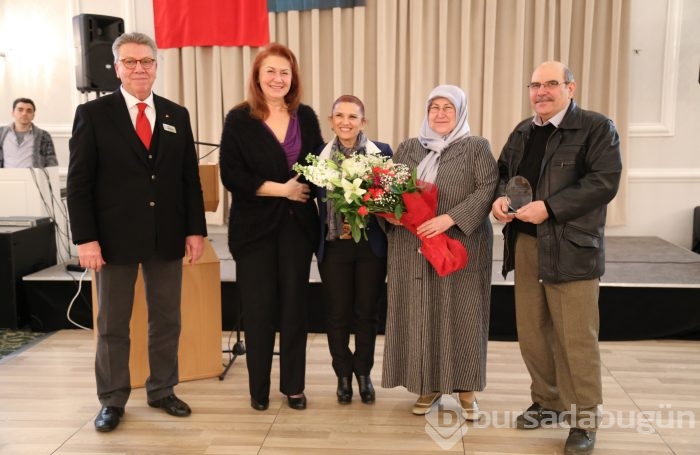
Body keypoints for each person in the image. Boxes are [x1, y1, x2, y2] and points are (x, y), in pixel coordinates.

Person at [67, 32, 207, 433]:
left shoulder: (175, 114)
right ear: (116, 67)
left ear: (156, 65)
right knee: (112, 324)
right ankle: (112, 399)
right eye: (130, 62)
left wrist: (195, 230)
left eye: (146, 61)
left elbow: (188, 180)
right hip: (112, 241)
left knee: (167, 320)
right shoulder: (93, 115)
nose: (139, 69)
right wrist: (86, 238)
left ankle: (162, 389)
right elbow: (79, 184)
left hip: (167, 236)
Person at [491, 61, 622, 455]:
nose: (541, 92)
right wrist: (498, 198)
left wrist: (550, 207)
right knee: (533, 332)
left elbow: (603, 182)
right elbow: (502, 173)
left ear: (570, 87)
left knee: (576, 338)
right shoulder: (522, 131)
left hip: (571, 247)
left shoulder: (597, 127)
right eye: (535, 85)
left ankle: (584, 420)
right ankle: (548, 402)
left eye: (551, 83)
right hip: (527, 245)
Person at [381, 85, 498, 419]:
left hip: (460, 244)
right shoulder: (407, 148)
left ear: (460, 112)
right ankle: (427, 385)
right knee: (421, 311)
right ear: (426, 112)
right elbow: (392, 192)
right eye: (435, 107)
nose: (441, 113)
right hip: (412, 246)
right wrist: (392, 213)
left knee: (463, 313)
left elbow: (487, 187)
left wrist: (449, 219)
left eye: (449, 107)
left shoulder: (476, 147)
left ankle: (466, 390)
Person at [219, 43, 323, 412]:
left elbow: (318, 165)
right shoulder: (239, 119)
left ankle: (294, 386)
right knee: (259, 310)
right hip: (253, 231)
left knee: (295, 308)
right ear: (257, 77)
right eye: (271, 72)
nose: (278, 79)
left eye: (285, 72)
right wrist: (284, 189)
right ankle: (258, 388)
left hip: (297, 228)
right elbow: (231, 174)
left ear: (292, 78)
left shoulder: (306, 116)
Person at [316, 95, 392, 405]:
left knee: (366, 314)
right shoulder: (318, 157)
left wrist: (372, 200)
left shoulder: (383, 153)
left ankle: (363, 373)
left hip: (370, 246)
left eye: (353, 116)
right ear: (331, 120)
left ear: (363, 122)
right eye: (339, 116)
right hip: (334, 247)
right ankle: (343, 375)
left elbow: (393, 200)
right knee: (337, 314)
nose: (345, 122)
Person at [0, 98, 58, 168]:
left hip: (33, 178)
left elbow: (51, 162)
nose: (24, 113)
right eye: (20, 110)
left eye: (29, 111)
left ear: (33, 115)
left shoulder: (44, 135)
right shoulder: (1, 133)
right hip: (6, 178)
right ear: (12, 113)